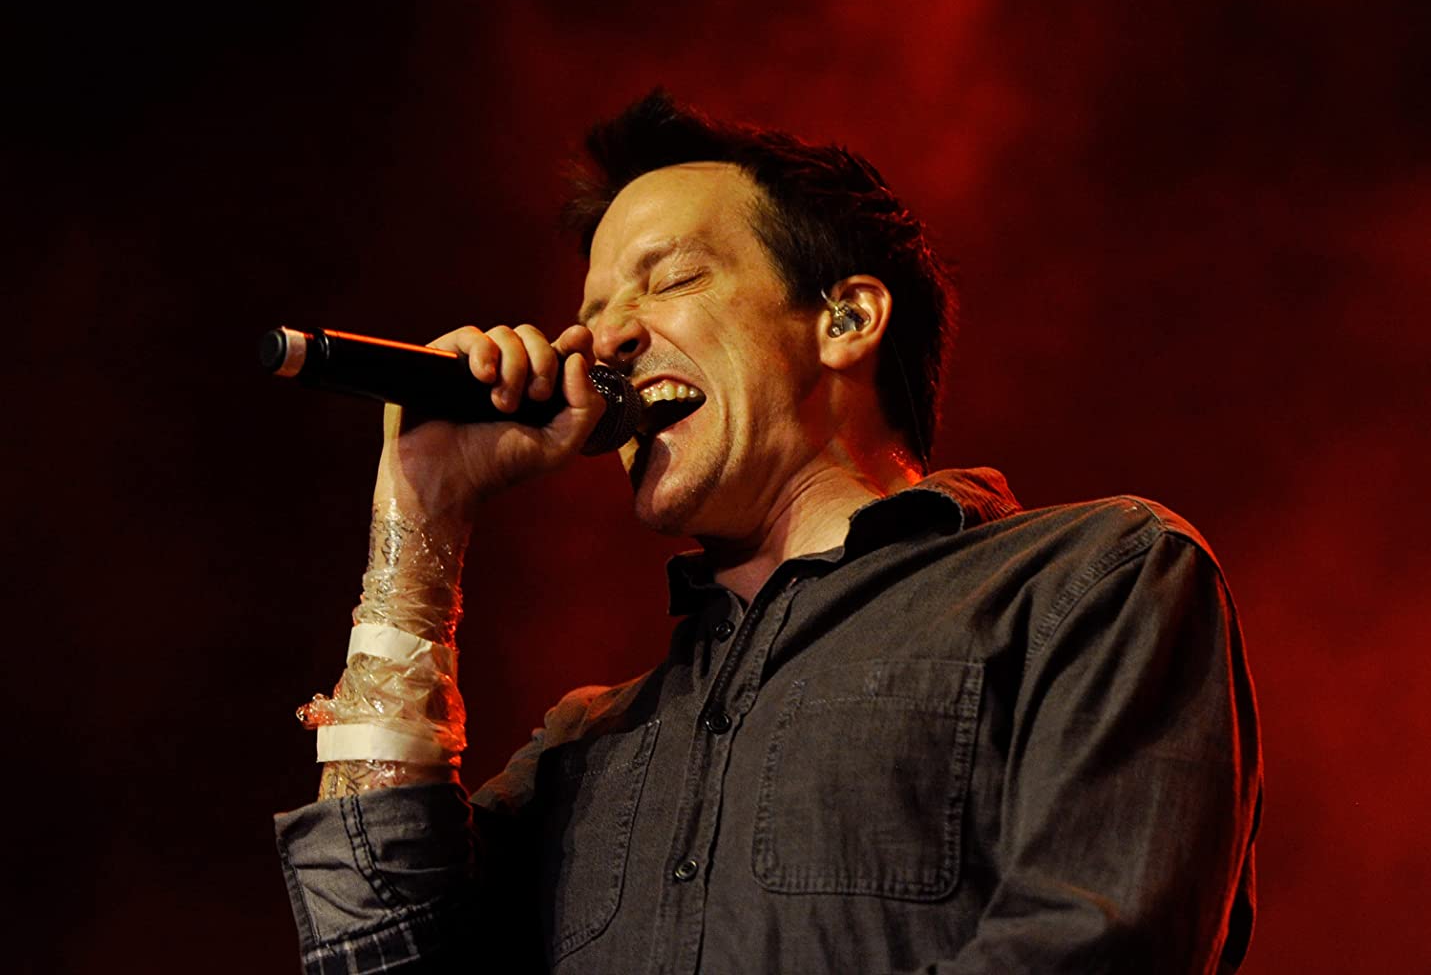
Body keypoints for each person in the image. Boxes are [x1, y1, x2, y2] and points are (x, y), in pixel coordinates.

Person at [275, 91, 1262, 974]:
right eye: (592, 310)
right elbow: (371, 956)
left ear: (846, 319)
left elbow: (1091, 946)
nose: (600, 339)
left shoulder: (1089, 581)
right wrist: (421, 517)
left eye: (669, 279)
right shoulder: (586, 740)